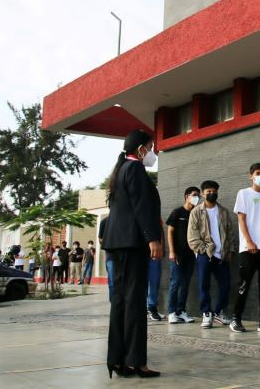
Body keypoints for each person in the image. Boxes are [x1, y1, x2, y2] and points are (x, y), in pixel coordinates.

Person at [102, 129, 162, 378]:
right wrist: (153, 238)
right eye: (150, 147)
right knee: (135, 303)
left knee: (121, 302)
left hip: (118, 244)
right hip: (132, 244)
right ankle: (136, 362)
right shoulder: (135, 169)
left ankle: (118, 359)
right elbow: (142, 206)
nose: (152, 152)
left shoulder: (121, 170)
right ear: (140, 149)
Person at [230, 163, 260, 333]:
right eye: (258, 173)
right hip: (249, 249)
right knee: (244, 285)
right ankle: (236, 318)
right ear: (250, 175)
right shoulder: (243, 194)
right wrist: (249, 241)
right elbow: (241, 219)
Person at [187, 180, 235, 329]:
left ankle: (218, 312)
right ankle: (206, 313)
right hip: (204, 255)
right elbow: (192, 237)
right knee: (204, 285)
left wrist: (230, 250)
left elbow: (230, 233)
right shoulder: (196, 212)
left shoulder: (224, 211)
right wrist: (204, 249)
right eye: (208, 191)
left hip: (222, 255)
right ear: (202, 193)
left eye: (214, 191)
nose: (212, 193)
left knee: (225, 286)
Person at [166, 187, 200, 324]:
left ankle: (181, 311)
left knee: (185, 284)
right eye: (194, 195)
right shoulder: (177, 212)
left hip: (191, 255)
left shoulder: (196, 213)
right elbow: (170, 232)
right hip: (178, 255)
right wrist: (172, 251)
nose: (196, 198)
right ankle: (171, 312)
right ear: (186, 196)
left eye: (198, 196)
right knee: (175, 283)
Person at [146, 220, 165, 321]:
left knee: (155, 280)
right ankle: (146, 308)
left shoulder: (155, 215)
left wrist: (161, 249)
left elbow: (160, 232)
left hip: (154, 253)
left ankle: (152, 307)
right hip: (140, 251)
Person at [99, 217, 113, 301]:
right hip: (111, 256)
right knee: (112, 282)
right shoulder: (104, 221)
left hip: (127, 255)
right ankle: (114, 303)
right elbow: (100, 239)